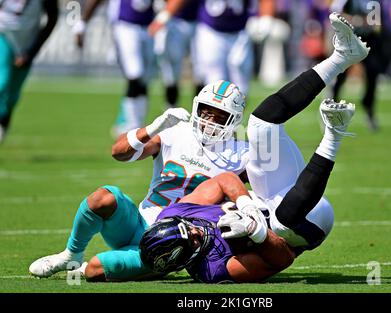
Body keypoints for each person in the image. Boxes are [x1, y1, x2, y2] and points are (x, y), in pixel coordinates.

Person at [138, 12, 369, 283]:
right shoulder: (213, 270)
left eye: (187, 228)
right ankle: (334, 133)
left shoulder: (176, 213)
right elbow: (283, 259)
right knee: (283, 221)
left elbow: (224, 180)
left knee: (261, 123)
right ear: (187, 258)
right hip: (304, 222)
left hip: (263, 197)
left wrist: (246, 206)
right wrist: (256, 232)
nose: (196, 230)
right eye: (193, 239)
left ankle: (342, 56)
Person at [28, 80, 249, 281]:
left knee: (95, 269)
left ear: (234, 119)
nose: (209, 121)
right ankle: (71, 255)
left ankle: (154, 266)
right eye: (205, 111)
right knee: (102, 197)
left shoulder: (242, 154)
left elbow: (269, 193)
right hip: (138, 223)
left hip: (174, 242)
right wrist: (155, 127)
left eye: (219, 115)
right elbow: (118, 152)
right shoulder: (176, 132)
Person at [73, 0, 158, 138]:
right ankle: (132, 126)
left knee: (145, 79)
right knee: (135, 73)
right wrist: (82, 23)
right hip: (125, 25)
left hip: (148, 27)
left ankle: (137, 124)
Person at [0, 0, 58, 143]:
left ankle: (2, 124)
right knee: (2, 81)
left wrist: (31, 51)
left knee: (12, 95)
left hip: (26, 44)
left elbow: (52, 18)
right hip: (3, 34)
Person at [330, 0, 383, 131]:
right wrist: (356, 20)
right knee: (340, 74)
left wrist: (364, 22)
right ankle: (331, 105)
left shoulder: (374, 2)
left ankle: (369, 109)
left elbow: (376, 24)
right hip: (349, 38)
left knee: (372, 73)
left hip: (369, 40)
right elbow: (337, 15)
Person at [148, 0, 202, 108]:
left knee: (202, 73)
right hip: (175, 22)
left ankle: (202, 116)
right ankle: (170, 112)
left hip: (202, 23)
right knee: (171, 73)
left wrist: (163, 17)